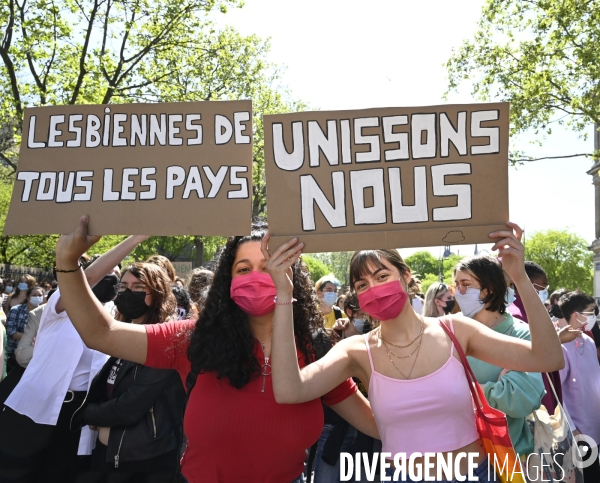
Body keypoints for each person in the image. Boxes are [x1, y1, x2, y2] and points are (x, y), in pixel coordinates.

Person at [54, 216, 379, 483]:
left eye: (269, 266)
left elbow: (379, 424)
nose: (258, 277)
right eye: (243, 269)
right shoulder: (194, 340)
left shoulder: (316, 350)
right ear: (228, 282)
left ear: (293, 275)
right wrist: (67, 262)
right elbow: (101, 333)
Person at [270, 222, 565, 482]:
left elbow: (548, 358)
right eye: (363, 284)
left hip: (475, 475)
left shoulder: (457, 330)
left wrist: (520, 278)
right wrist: (284, 296)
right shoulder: (354, 351)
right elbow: (289, 390)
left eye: (382, 275)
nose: (374, 287)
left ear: (405, 276)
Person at [0, 258, 117, 483]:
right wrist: (136, 234)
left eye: (115, 275)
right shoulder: (59, 305)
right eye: (106, 270)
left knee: (62, 471)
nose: (111, 277)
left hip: (80, 410)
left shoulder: (113, 314)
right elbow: (88, 278)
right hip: (42, 403)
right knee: (25, 469)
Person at [71, 262, 185, 483]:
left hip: (145, 462)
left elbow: (131, 405)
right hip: (111, 455)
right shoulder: (120, 337)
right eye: (123, 286)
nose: (128, 293)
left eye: (138, 287)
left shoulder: (165, 343)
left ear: (158, 293)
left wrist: (87, 415)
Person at [452, 255, 545, 463]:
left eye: (466, 284)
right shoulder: (447, 329)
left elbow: (523, 399)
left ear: (490, 289)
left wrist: (469, 391)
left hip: (508, 455)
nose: (460, 292)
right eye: (457, 285)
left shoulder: (520, 334)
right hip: (458, 457)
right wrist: (495, 387)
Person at [507, 261, 563, 415]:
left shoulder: (534, 311)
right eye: (542, 287)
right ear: (526, 283)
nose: (545, 291)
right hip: (534, 389)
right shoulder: (516, 315)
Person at [557, 291, 600, 482]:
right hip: (579, 432)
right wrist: (572, 429)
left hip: (595, 425)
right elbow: (557, 395)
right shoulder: (561, 348)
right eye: (591, 312)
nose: (595, 316)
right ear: (576, 314)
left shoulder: (589, 341)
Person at [5, 286, 44, 372]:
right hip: (14, 354)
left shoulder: (44, 313)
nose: (37, 297)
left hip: (35, 357)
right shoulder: (16, 310)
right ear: (28, 297)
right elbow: (12, 331)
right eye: (34, 295)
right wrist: (30, 339)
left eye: (40, 295)